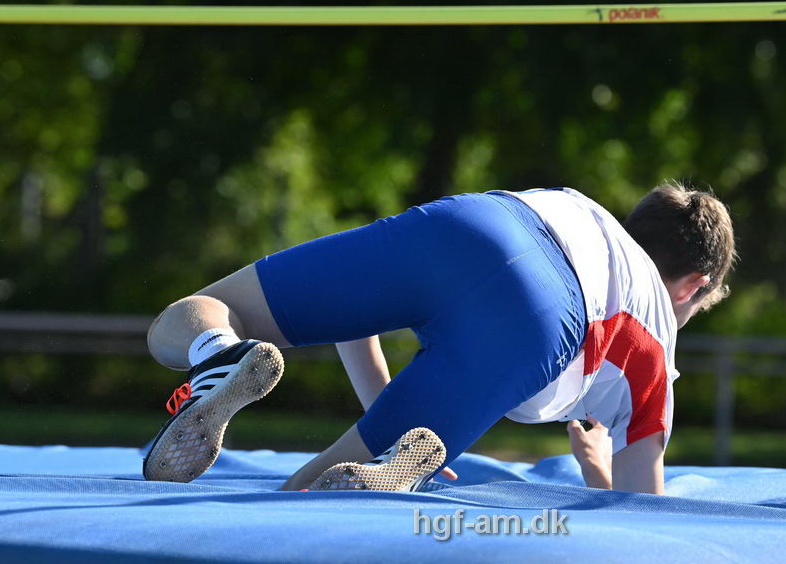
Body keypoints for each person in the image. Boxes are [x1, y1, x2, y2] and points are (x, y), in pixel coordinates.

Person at [143, 184, 735, 494]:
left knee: (191, 314)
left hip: (478, 220)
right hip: (538, 318)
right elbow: (643, 520)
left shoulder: (587, 213)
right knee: (305, 497)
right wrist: (601, 474)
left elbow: (360, 316)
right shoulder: (655, 331)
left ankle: (218, 353)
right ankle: (381, 471)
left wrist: (388, 415)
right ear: (691, 288)